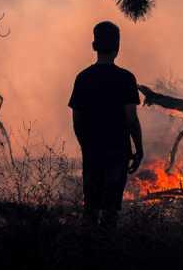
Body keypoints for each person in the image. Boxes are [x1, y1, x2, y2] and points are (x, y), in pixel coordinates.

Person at [68, 21, 144, 228]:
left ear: (94, 45)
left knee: (91, 208)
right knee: (111, 210)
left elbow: (77, 121)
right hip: (118, 152)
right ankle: (108, 253)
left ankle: (89, 253)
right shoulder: (126, 79)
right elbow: (131, 119)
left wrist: (87, 146)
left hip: (92, 152)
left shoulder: (83, 78)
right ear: (117, 47)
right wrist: (139, 148)